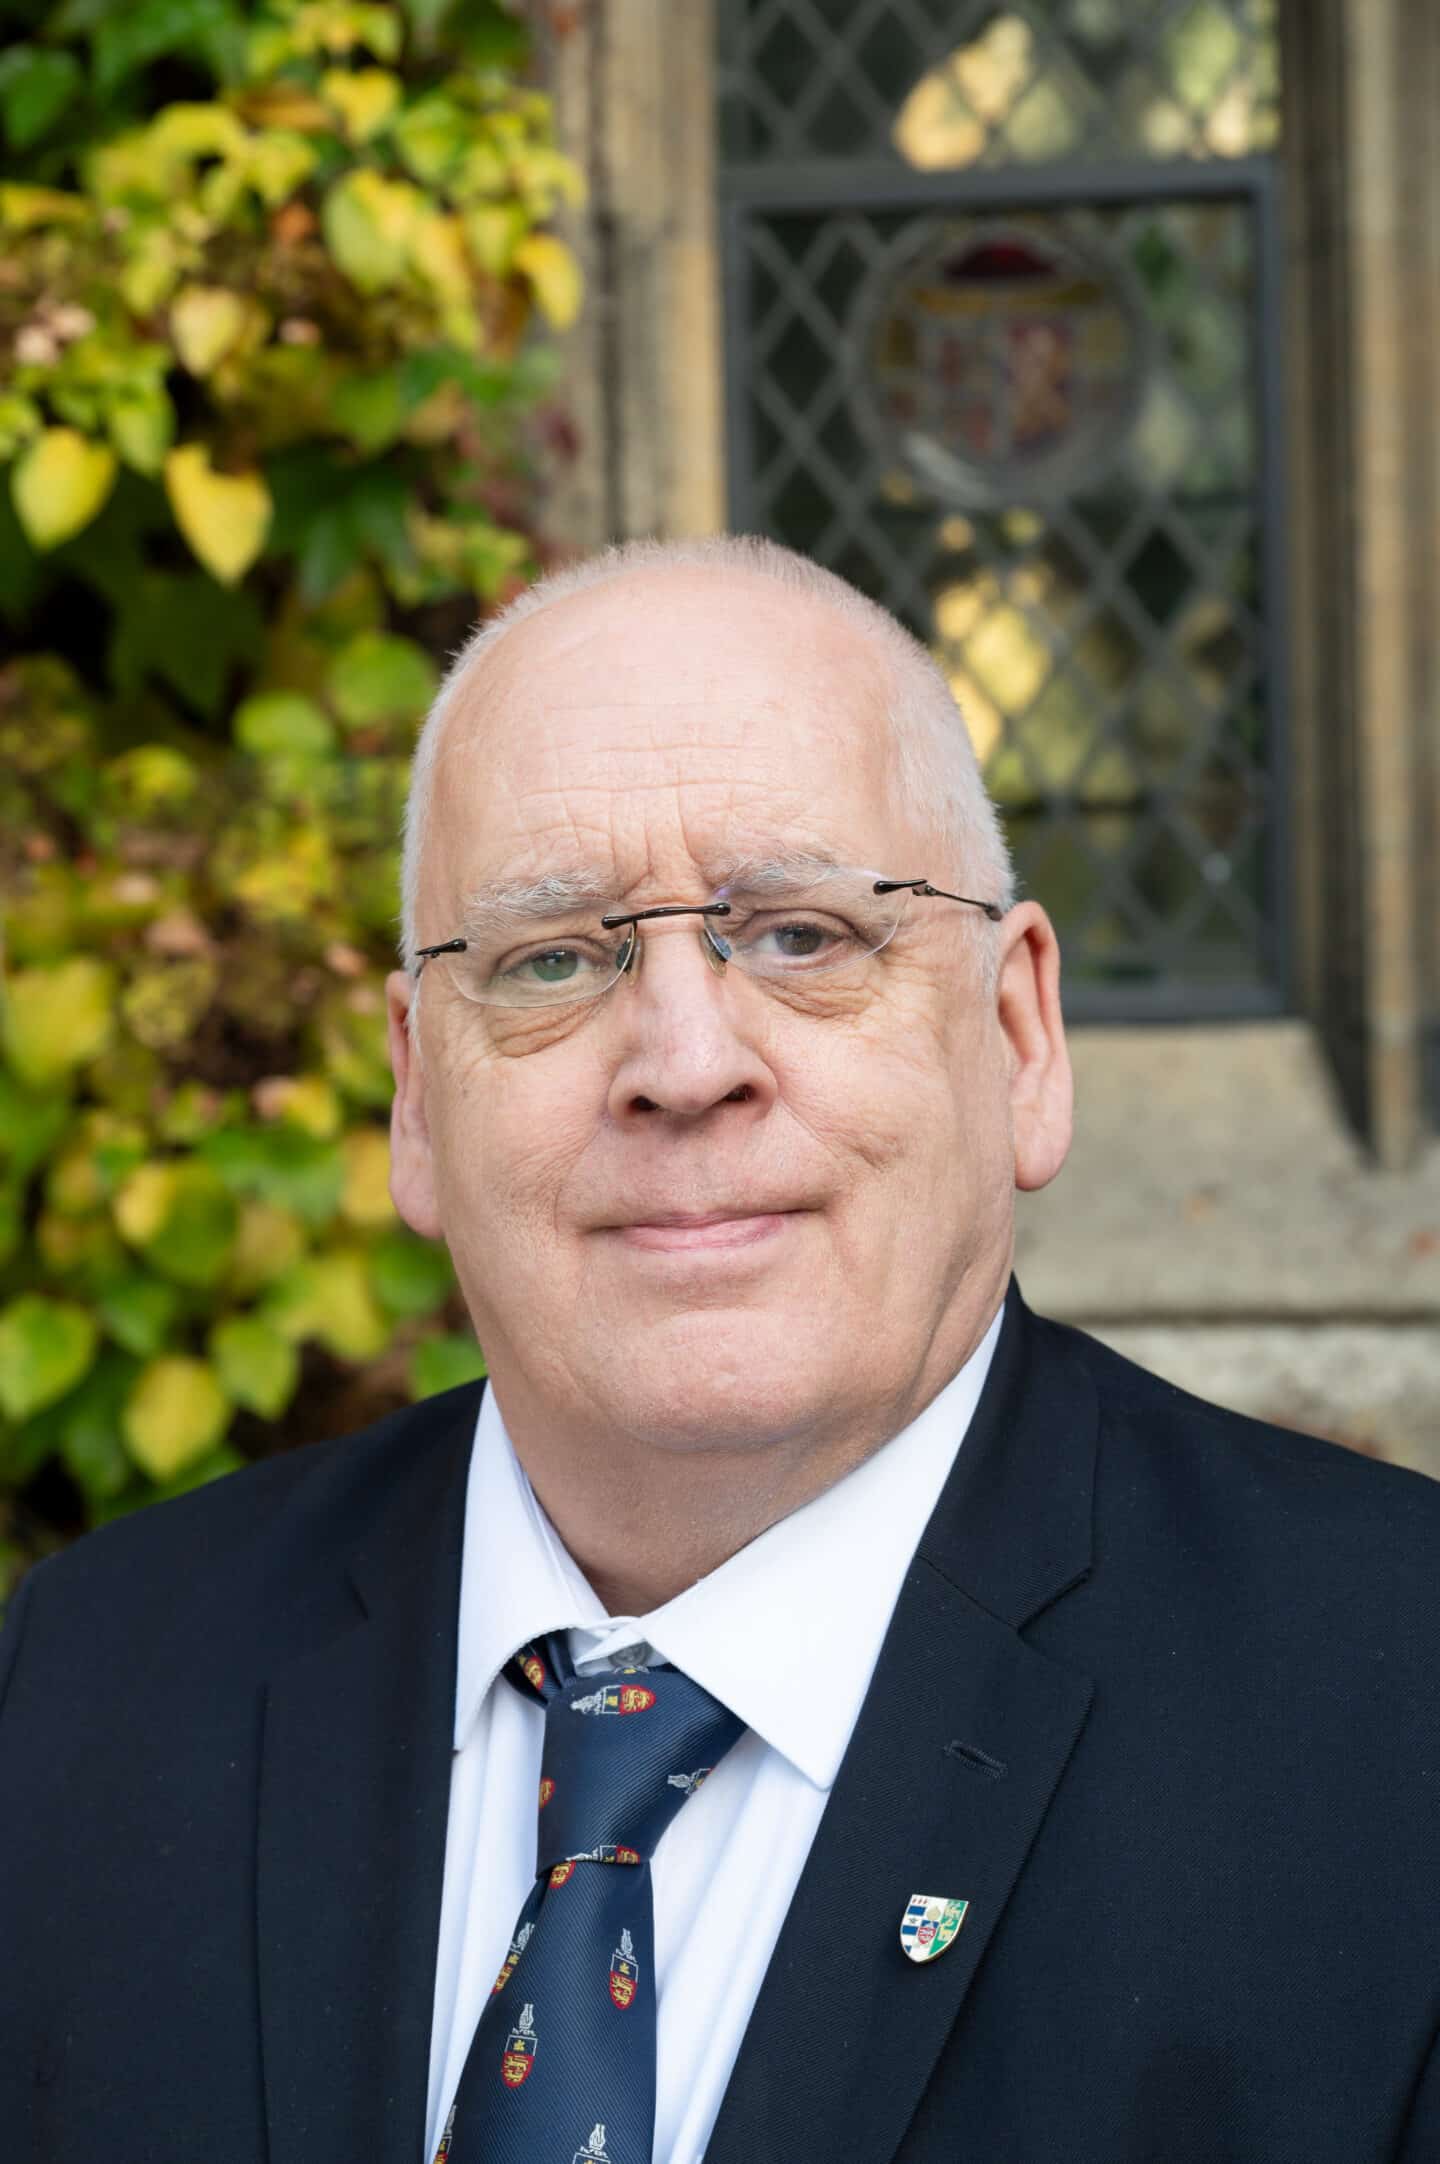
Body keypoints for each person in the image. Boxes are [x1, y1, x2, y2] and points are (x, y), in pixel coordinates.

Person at [1, 535, 1437, 2164]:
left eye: (804, 935)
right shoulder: (86, 1691)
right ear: (416, 1094)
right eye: (553, 958)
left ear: (1020, 1035)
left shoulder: (1403, 1721)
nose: (683, 1062)